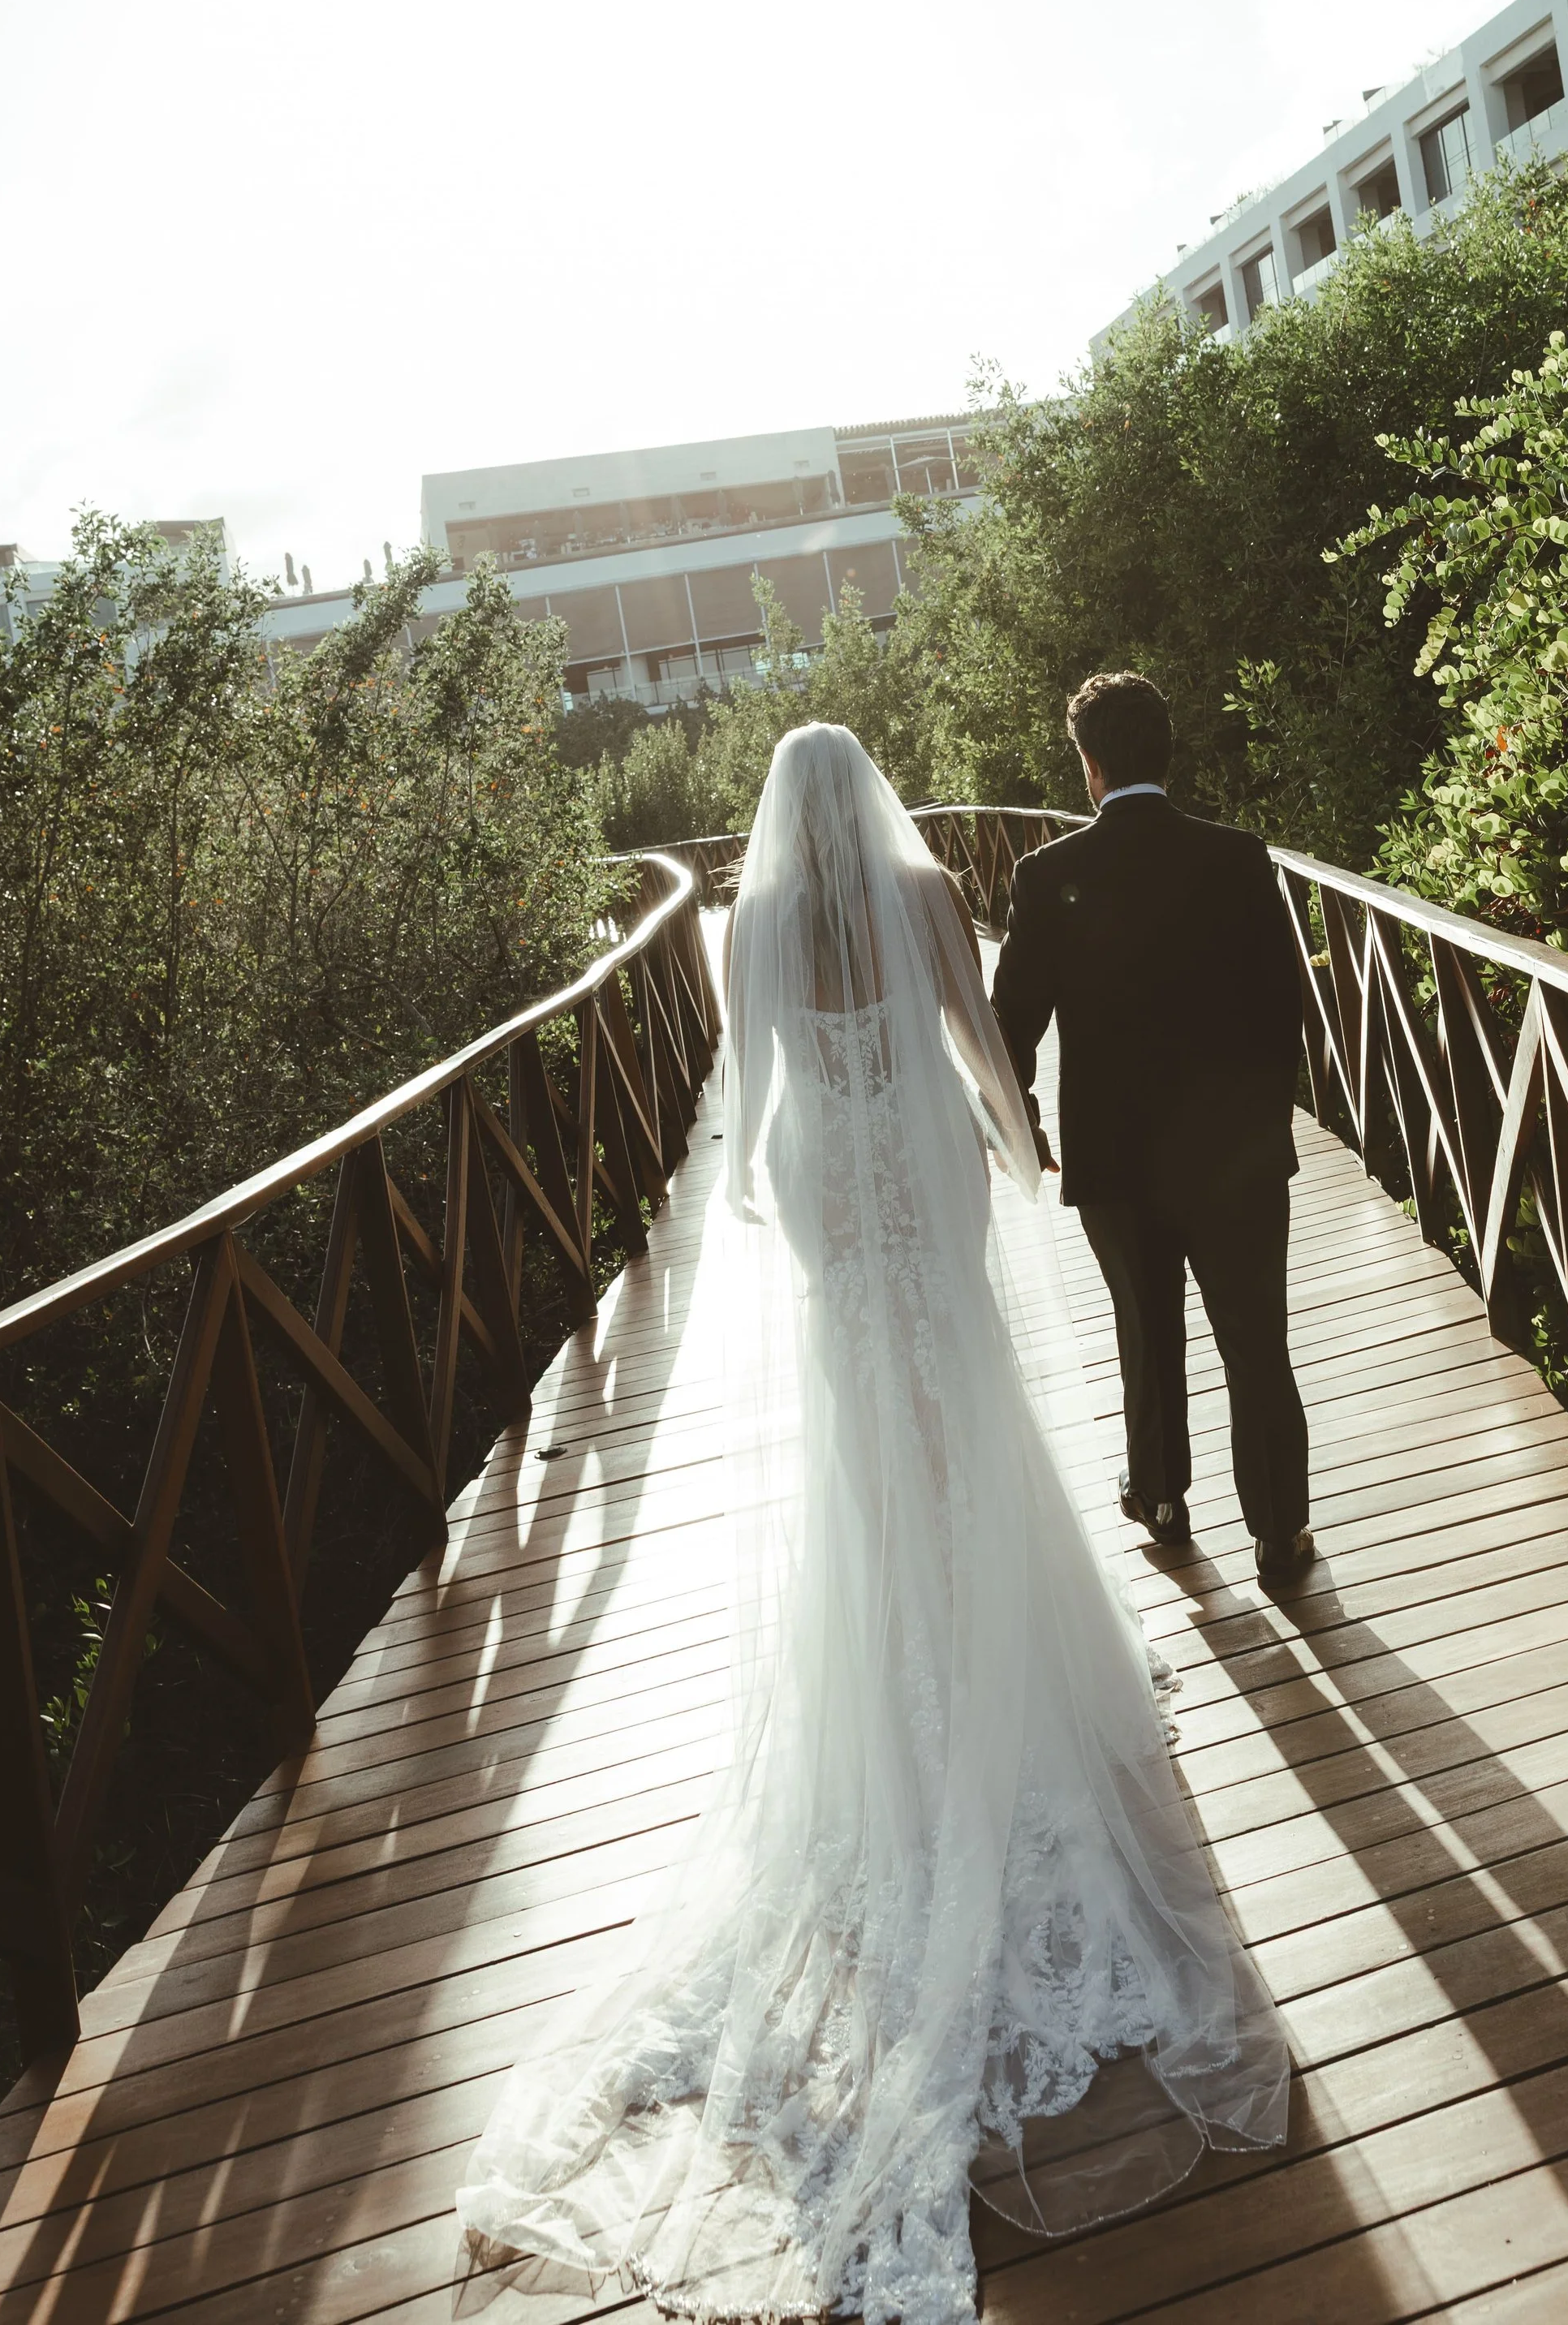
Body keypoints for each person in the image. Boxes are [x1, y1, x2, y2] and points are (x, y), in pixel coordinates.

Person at [458, 722, 1286, 2325]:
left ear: (781, 818)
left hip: (830, 1164)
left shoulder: (752, 921)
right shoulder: (921, 888)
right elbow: (980, 1034)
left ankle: (897, 1639)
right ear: (874, 805)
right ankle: (988, 1627)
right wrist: (1013, 1142)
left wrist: (774, 1192)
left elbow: (746, 1087)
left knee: (863, 1423)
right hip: (915, 1145)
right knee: (960, 1395)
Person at [990, 671, 1315, 1588]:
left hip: (1115, 1156)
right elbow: (1281, 1007)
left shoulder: (1047, 875)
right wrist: (1258, 1121)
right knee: (1255, 1341)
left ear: (1088, 766)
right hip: (1236, 1157)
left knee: (1146, 1331)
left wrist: (1026, 1121)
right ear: (1166, 754)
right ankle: (1279, 1530)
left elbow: (1011, 1017)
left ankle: (1165, 1502)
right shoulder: (1238, 856)